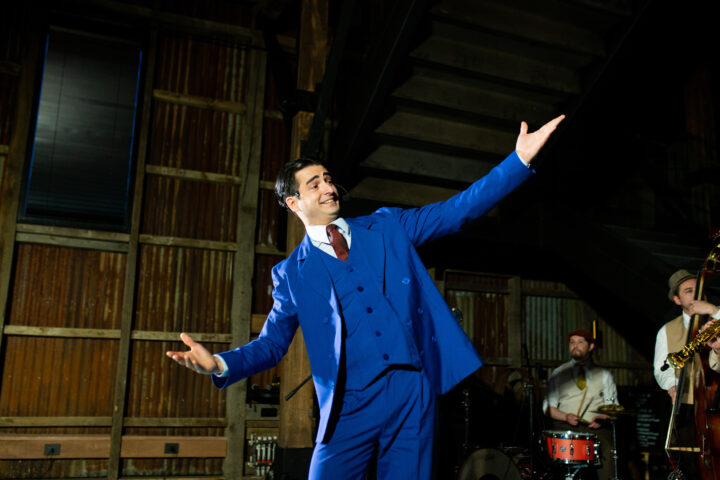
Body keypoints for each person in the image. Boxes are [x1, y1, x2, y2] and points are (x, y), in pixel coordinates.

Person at [167, 114, 565, 479]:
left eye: (328, 179)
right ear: (294, 202)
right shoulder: (290, 274)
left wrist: (517, 161)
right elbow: (272, 345)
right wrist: (219, 363)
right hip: (348, 403)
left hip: (412, 390)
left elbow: (456, 211)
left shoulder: (388, 226)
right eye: (314, 184)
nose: (328, 187)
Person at [652, 269, 720, 476]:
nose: (696, 295)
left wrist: (714, 310)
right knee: (690, 464)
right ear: (677, 299)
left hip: (716, 400)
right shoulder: (666, 330)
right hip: (688, 404)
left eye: (699, 290)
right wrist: (671, 386)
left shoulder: (716, 317)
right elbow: (661, 368)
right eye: (689, 291)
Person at [544, 329, 619, 480]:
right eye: (572, 342)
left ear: (591, 346)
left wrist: (602, 418)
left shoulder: (604, 375)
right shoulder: (558, 373)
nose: (575, 346)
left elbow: (613, 408)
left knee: (609, 450)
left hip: (595, 430)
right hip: (565, 428)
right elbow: (547, 408)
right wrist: (566, 417)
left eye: (580, 342)